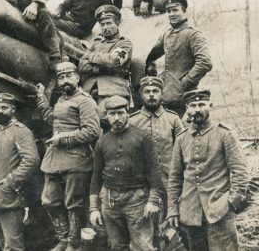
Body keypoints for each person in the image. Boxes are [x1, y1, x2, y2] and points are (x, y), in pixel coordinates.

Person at [167, 89, 250, 250]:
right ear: (187, 108)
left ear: (210, 106)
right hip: (191, 213)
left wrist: (231, 202)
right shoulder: (181, 139)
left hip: (220, 211)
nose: (197, 109)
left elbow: (241, 172)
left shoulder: (224, 134)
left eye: (201, 104)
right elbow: (175, 178)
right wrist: (172, 209)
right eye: (193, 105)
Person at [36, 61, 100, 251]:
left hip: (76, 159)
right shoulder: (61, 100)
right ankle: (63, 238)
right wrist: (41, 99)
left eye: (68, 76)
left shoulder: (85, 101)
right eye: (61, 77)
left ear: (77, 78)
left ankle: (73, 243)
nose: (64, 81)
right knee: (49, 200)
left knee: (74, 204)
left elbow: (92, 131)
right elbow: (52, 119)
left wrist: (64, 139)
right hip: (54, 159)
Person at [89, 95, 162, 251]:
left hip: (136, 200)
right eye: (112, 114)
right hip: (109, 202)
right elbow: (96, 176)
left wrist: (153, 200)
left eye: (120, 113)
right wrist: (94, 208)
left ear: (127, 113)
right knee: (117, 246)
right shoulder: (102, 142)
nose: (117, 118)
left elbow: (154, 171)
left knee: (143, 247)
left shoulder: (143, 138)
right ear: (106, 116)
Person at [128, 76, 184, 249]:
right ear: (141, 95)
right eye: (147, 92)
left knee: (171, 224)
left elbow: (183, 149)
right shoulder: (132, 120)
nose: (151, 95)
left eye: (155, 91)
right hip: (141, 184)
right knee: (144, 226)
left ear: (161, 93)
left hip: (169, 181)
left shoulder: (173, 119)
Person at [0, 93, 40, 251]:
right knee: (3, 245)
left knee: (13, 246)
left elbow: (31, 160)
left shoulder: (21, 131)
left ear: (13, 109)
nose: (0, 111)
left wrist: (12, 180)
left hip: (10, 198)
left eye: (4, 108)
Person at [145, 0, 213, 118]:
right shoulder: (167, 34)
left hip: (185, 96)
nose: (172, 14)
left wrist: (185, 82)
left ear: (184, 11)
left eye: (175, 10)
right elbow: (150, 54)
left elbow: (205, 62)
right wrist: (151, 70)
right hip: (167, 94)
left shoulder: (193, 35)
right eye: (169, 11)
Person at [78, 4, 133, 125]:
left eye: (109, 23)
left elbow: (114, 61)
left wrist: (91, 56)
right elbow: (81, 65)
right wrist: (102, 65)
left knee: (104, 119)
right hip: (90, 88)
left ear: (117, 23)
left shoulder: (124, 43)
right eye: (102, 25)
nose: (105, 27)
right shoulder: (96, 43)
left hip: (113, 88)